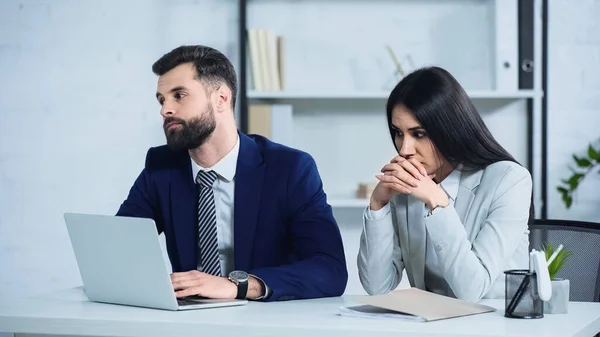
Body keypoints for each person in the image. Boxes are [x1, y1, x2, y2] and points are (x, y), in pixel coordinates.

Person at [116, 45, 347, 302]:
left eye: (179, 95)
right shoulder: (161, 167)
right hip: (188, 320)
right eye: (161, 100)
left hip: (267, 320)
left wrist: (238, 286)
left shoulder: (291, 169)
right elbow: (121, 252)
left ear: (221, 99)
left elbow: (330, 270)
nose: (165, 110)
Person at [357, 66, 533, 302]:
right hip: (430, 325)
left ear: (450, 129)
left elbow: (473, 289)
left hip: (493, 325)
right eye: (398, 132)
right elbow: (378, 288)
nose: (405, 149)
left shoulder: (510, 181)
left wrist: (438, 204)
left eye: (418, 134)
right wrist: (378, 204)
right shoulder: (407, 186)